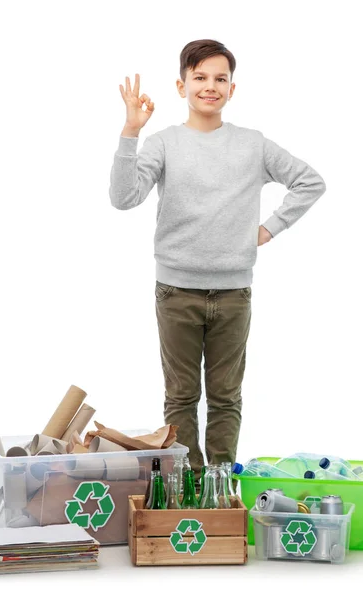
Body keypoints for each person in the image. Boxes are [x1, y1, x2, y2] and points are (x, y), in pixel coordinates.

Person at [108, 39, 326, 482]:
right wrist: (130, 131)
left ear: (232, 88)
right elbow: (123, 197)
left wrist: (269, 228)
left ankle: (220, 485)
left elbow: (309, 181)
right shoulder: (164, 142)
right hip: (175, 291)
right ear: (182, 84)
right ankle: (186, 483)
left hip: (233, 293)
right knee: (181, 396)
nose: (210, 86)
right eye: (200, 77)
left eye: (220, 79)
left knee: (226, 396)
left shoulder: (252, 144)